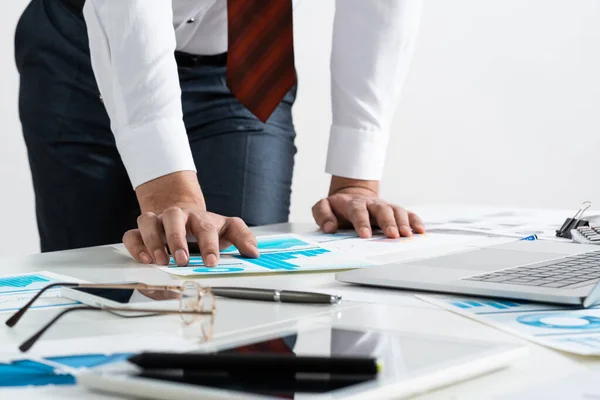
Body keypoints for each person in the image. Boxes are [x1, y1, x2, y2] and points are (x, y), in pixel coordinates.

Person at [15, 0, 424, 267]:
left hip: (241, 67)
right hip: (83, 43)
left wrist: (356, 181)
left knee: (243, 279)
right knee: (92, 288)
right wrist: (170, 190)